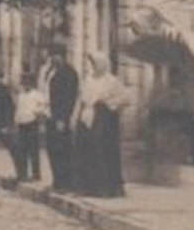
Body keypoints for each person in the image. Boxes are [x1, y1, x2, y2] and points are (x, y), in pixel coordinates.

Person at [75, 52, 130, 198]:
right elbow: (82, 98)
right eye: (93, 63)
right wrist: (77, 116)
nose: (94, 66)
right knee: (86, 150)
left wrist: (108, 104)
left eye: (97, 63)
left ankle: (105, 187)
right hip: (87, 117)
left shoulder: (111, 81)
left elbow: (125, 99)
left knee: (102, 151)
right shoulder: (88, 80)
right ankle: (88, 186)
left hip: (104, 119)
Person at [42, 49, 80, 191]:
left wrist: (63, 118)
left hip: (61, 118)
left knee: (63, 150)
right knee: (52, 149)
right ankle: (57, 181)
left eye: (55, 55)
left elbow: (69, 98)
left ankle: (66, 183)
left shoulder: (69, 73)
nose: (52, 58)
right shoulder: (51, 72)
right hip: (51, 115)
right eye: (52, 56)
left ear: (62, 56)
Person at [11, 69, 46, 184]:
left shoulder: (37, 95)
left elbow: (44, 106)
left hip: (32, 123)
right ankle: (23, 174)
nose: (25, 85)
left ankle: (36, 174)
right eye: (23, 83)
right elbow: (18, 109)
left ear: (32, 83)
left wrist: (36, 112)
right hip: (22, 124)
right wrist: (16, 120)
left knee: (33, 150)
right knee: (22, 150)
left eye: (27, 83)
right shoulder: (21, 95)